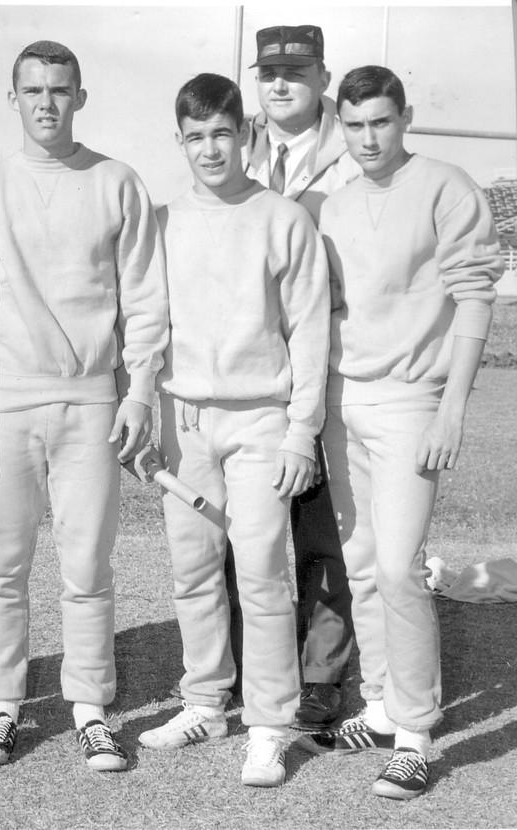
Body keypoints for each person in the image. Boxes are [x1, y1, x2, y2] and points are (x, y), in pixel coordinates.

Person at [299, 65, 503, 801]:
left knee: (398, 568)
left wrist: (452, 410)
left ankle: (415, 735)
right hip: (343, 400)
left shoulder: (447, 186)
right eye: (353, 125)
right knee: (360, 567)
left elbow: (475, 297)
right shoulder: (334, 204)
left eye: (381, 122)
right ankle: (381, 704)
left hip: (413, 402)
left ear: (406, 116)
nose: (367, 139)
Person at [0, 40, 168, 771]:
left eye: (59, 90)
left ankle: (89, 709)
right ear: (12, 99)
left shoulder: (116, 182)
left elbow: (144, 298)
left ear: (79, 98)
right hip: (7, 401)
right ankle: (1, 708)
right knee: (1, 570)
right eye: (33, 90)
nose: (46, 103)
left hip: (91, 401)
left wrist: (139, 391)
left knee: (86, 567)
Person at [136, 73, 329, 788]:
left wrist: (301, 432)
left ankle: (269, 724)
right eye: (196, 138)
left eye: (222, 133)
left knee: (261, 572)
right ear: (179, 141)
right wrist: (141, 405)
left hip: (261, 422)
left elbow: (309, 333)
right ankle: (205, 703)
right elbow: (147, 324)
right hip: (185, 421)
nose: (211, 150)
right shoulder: (162, 222)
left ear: (245, 133)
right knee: (192, 571)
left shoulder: (284, 218)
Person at [235, 24, 360, 729]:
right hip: (251, 364)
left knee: (321, 532)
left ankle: (321, 675)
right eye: (269, 73)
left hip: (327, 360)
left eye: (298, 71)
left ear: (323, 78)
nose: (281, 84)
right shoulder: (235, 142)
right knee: (244, 530)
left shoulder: (351, 150)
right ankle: (249, 666)